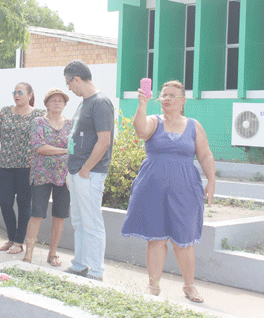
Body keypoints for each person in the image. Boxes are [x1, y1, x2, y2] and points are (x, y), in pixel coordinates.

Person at [120, 80, 215, 303]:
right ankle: (153, 286)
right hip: (152, 187)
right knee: (156, 238)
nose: (167, 99)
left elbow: (205, 155)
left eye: (172, 95)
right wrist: (142, 104)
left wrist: (211, 180)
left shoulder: (193, 125)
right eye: (163, 95)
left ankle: (189, 286)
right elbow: (140, 130)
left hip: (185, 190)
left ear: (183, 100)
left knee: (184, 239)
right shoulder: (154, 121)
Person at [63, 59, 114, 281]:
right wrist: (71, 171)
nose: (69, 88)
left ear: (76, 78)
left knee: (92, 222)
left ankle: (95, 271)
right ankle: (80, 264)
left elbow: (104, 141)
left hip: (89, 173)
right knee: (79, 221)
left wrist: (85, 169)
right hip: (76, 172)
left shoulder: (100, 103)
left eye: (68, 83)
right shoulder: (84, 103)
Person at [0, 82, 45, 255]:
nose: (16, 95)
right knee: (4, 202)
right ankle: (11, 238)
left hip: (27, 167)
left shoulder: (38, 115)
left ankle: (19, 242)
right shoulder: (5, 111)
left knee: (23, 204)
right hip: (6, 165)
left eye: (20, 92)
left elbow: (43, 139)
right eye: (14, 92)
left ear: (30, 95)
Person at [22, 88, 72, 267]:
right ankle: (28, 254)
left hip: (64, 176)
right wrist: (65, 150)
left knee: (60, 215)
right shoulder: (38, 122)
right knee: (36, 213)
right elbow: (39, 147)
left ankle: (53, 254)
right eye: (53, 100)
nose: (57, 102)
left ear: (65, 104)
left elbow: (77, 149)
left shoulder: (71, 124)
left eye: (61, 100)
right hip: (41, 174)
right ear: (46, 104)